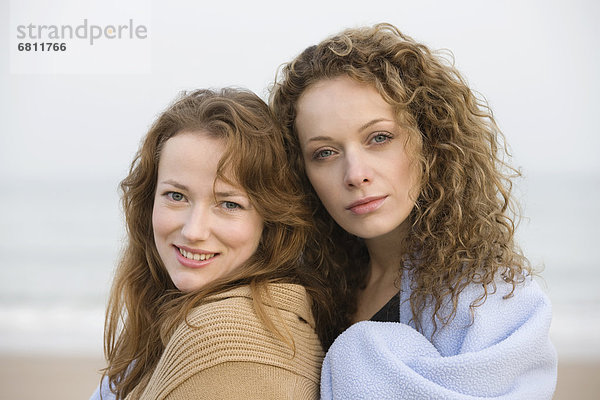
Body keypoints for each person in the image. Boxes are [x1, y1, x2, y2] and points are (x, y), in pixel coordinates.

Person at [270, 23, 557, 399]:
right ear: (300, 172)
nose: (356, 175)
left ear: (430, 140)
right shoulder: (306, 287)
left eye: (379, 138)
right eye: (324, 153)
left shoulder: (497, 298)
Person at [90, 88, 330, 400]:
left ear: (270, 221)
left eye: (229, 204)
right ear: (148, 201)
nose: (193, 231)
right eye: (176, 196)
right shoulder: (178, 317)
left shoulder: (219, 337)